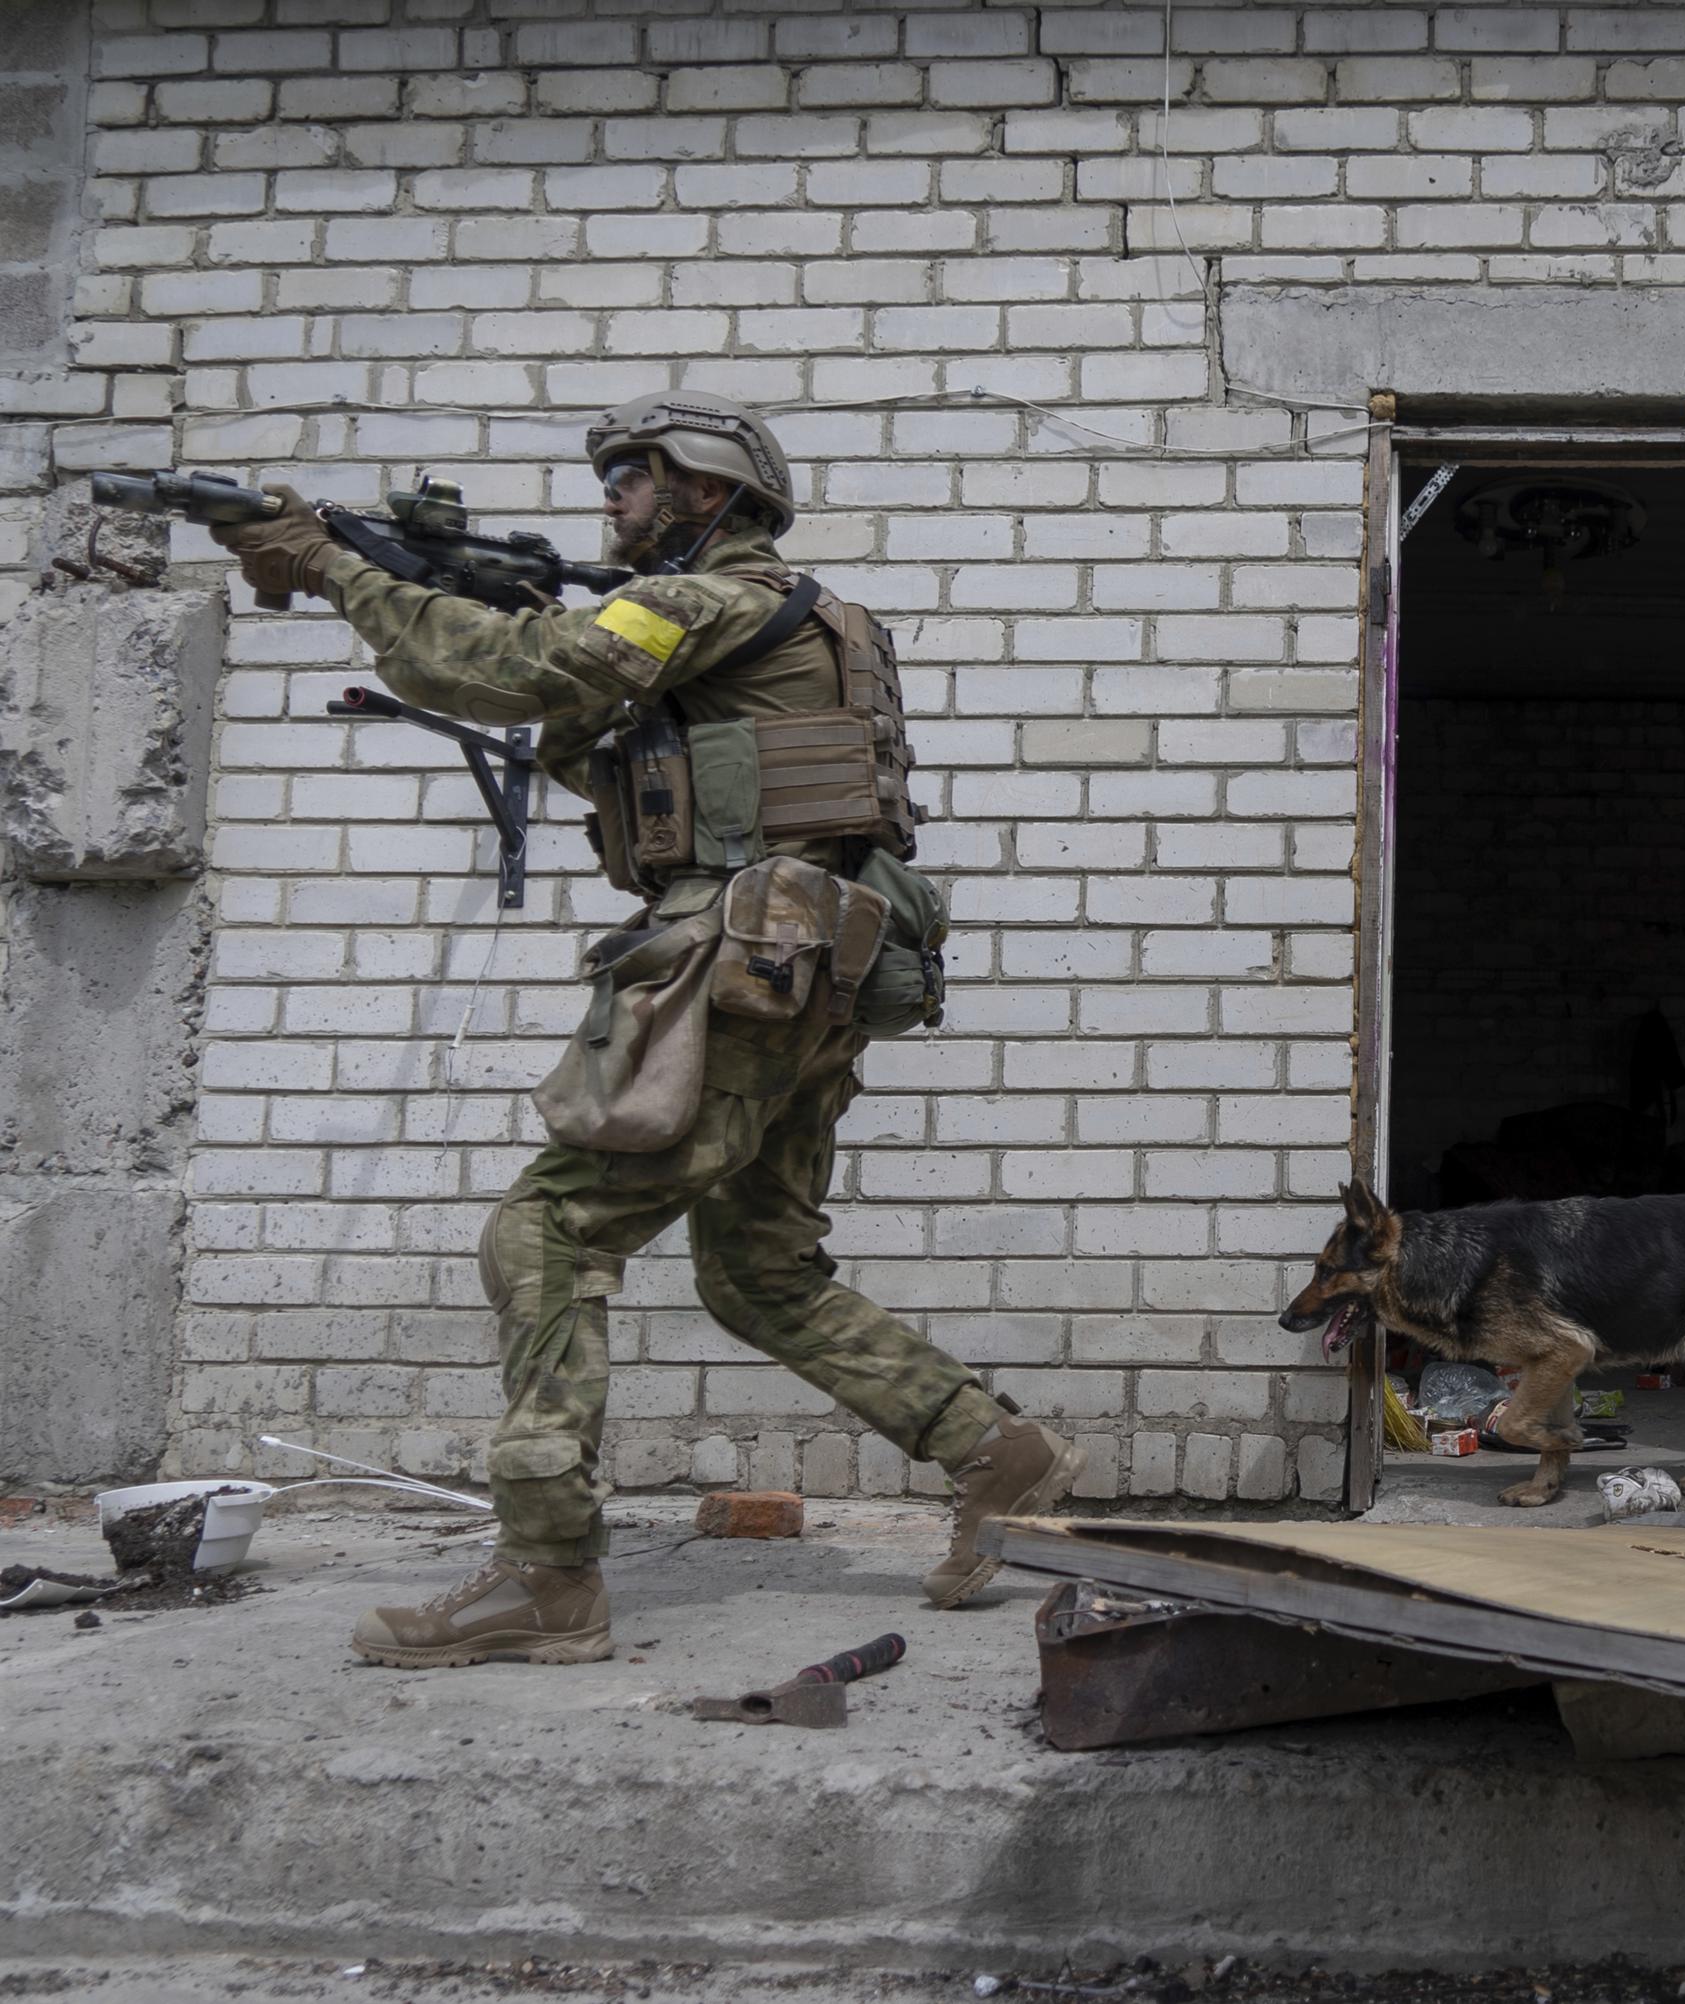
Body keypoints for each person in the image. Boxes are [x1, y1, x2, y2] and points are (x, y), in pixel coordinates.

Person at [212, 392, 1077, 1668]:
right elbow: (597, 742)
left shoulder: (705, 603)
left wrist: (337, 566)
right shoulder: (802, 621)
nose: (610, 497)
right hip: (809, 971)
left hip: (735, 967)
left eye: (635, 476)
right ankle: (995, 1450)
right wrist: (472, 598)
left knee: (549, 1229)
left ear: (710, 494)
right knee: (761, 1271)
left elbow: (508, 675)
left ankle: (547, 1576)